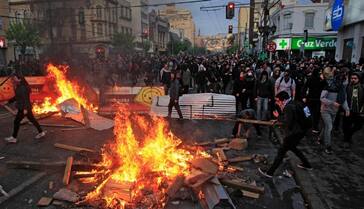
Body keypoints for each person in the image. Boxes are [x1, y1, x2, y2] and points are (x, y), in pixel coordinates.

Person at [258, 91, 312, 178]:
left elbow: (288, 123)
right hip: (302, 131)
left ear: (283, 100)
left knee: (281, 152)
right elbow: (296, 116)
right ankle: (307, 164)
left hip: (294, 133)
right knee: (293, 147)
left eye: (277, 101)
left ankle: (269, 172)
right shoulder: (297, 102)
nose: (276, 102)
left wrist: (278, 117)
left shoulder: (289, 107)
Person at [2, 70, 46, 143]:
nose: (13, 79)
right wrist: (7, 102)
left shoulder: (22, 88)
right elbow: (17, 97)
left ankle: (14, 137)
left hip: (23, 107)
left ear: (19, 79)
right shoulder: (20, 86)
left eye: (15, 78)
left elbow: (25, 99)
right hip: (24, 107)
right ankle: (41, 132)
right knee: (32, 120)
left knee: (16, 121)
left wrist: (25, 109)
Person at [320, 67, 349, 154]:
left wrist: (346, 109)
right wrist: (332, 103)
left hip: (334, 111)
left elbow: (343, 99)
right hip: (325, 110)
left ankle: (320, 138)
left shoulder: (341, 89)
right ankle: (328, 146)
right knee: (329, 127)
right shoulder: (328, 86)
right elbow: (322, 98)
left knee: (327, 127)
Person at [342, 72, 364, 148]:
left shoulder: (362, 87)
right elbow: (343, 98)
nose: (353, 80)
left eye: (355, 78)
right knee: (346, 126)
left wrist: (362, 111)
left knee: (358, 126)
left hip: (358, 111)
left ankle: (349, 135)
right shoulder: (347, 86)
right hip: (348, 110)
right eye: (352, 78)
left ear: (359, 79)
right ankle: (346, 140)